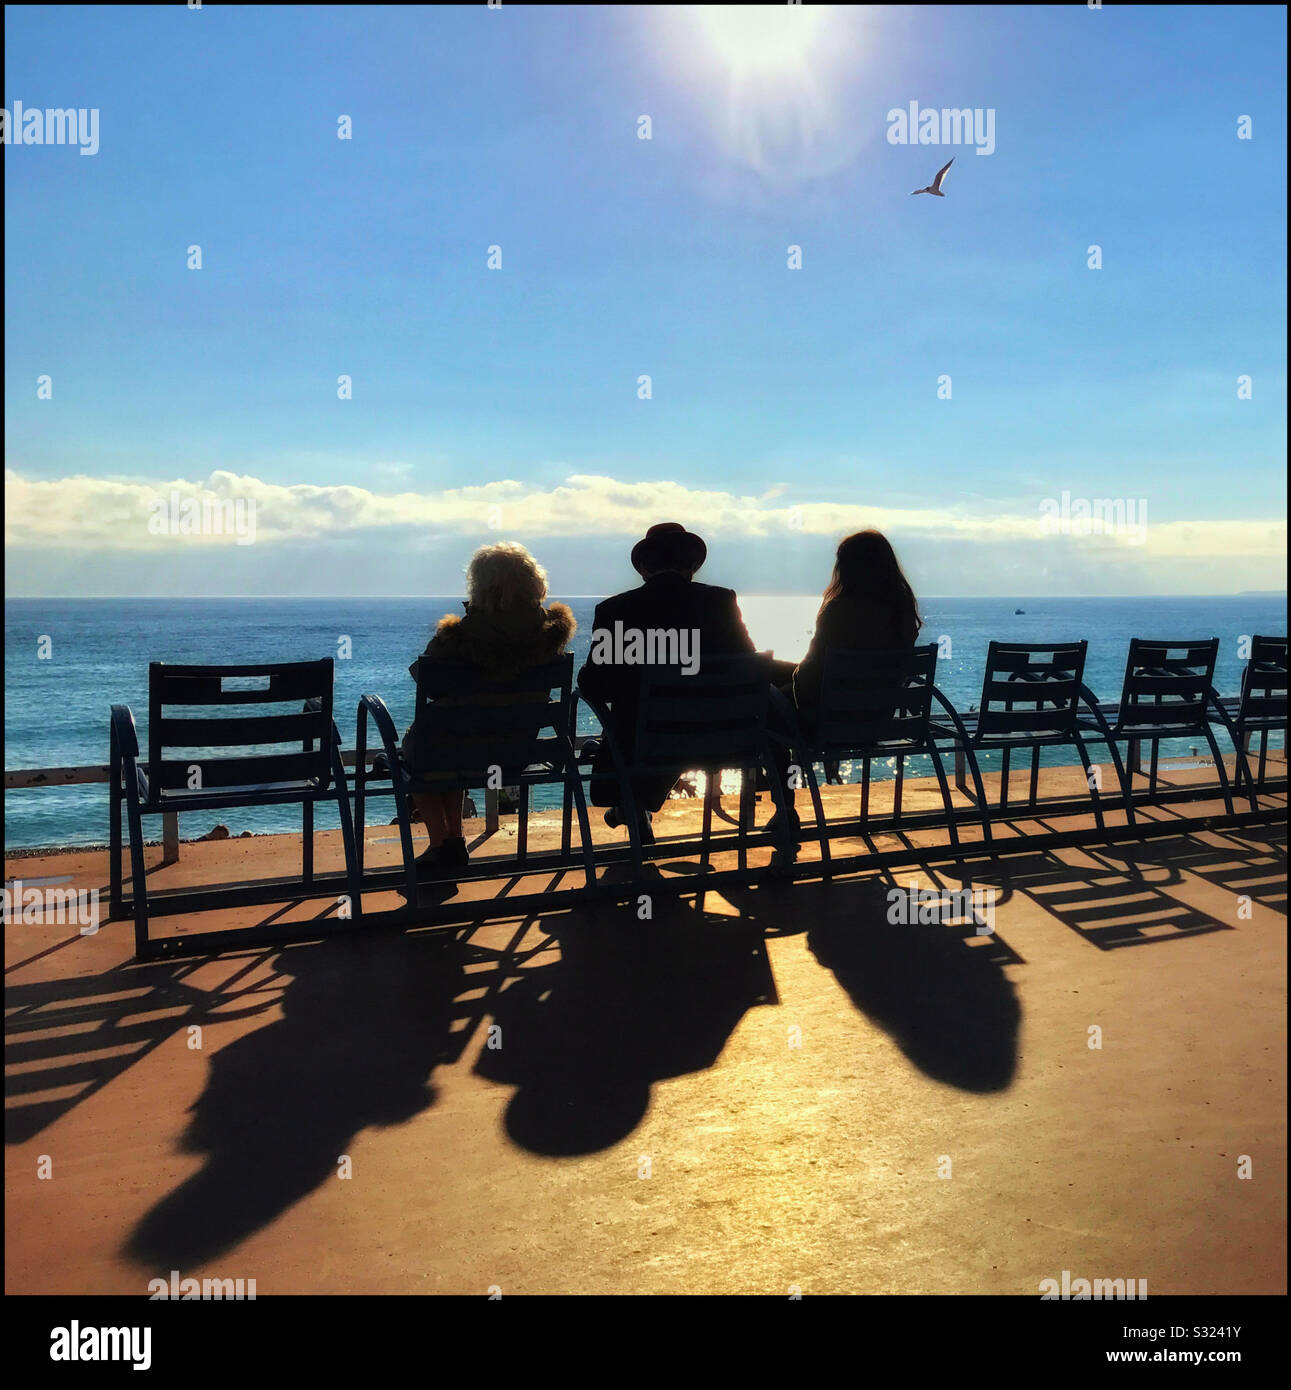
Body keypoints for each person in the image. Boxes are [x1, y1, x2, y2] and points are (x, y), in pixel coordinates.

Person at [403, 542, 575, 879]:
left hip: (460, 751)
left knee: (427, 744)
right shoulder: (551, 633)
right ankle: (454, 840)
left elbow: (425, 679)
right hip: (516, 752)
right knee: (450, 741)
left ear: (479, 586)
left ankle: (441, 843)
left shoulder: (460, 634)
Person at [578, 522, 754, 836]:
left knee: (636, 728)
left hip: (646, 743)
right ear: (691, 566)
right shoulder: (721, 603)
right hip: (719, 740)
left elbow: (593, 683)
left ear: (644, 568)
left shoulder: (615, 610)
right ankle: (634, 808)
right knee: (665, 727)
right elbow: (748, 666)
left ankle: (632, 807)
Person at [774, 530, 922, 824]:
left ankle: (785, 809)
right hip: (878, 721)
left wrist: (786, 686)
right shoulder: (902, 610)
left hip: (828, 723)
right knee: (773, 674)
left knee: (765, 703)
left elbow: (807, 681)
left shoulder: (836, 611)